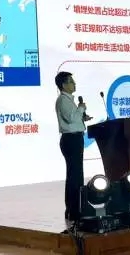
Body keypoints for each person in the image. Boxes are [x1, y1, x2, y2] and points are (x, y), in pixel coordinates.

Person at [54, 71, 92, 223]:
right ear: (64, 85)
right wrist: (81, 108)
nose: (74, 84)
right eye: (71, 81)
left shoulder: (68, 100)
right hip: (71, 139)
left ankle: (74, 209)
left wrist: (83, 117)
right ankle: (73, 211)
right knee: (74, 176)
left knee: (76, 175)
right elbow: (70, 119)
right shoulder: (63, 100)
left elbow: (73, 118)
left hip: (75, 138)